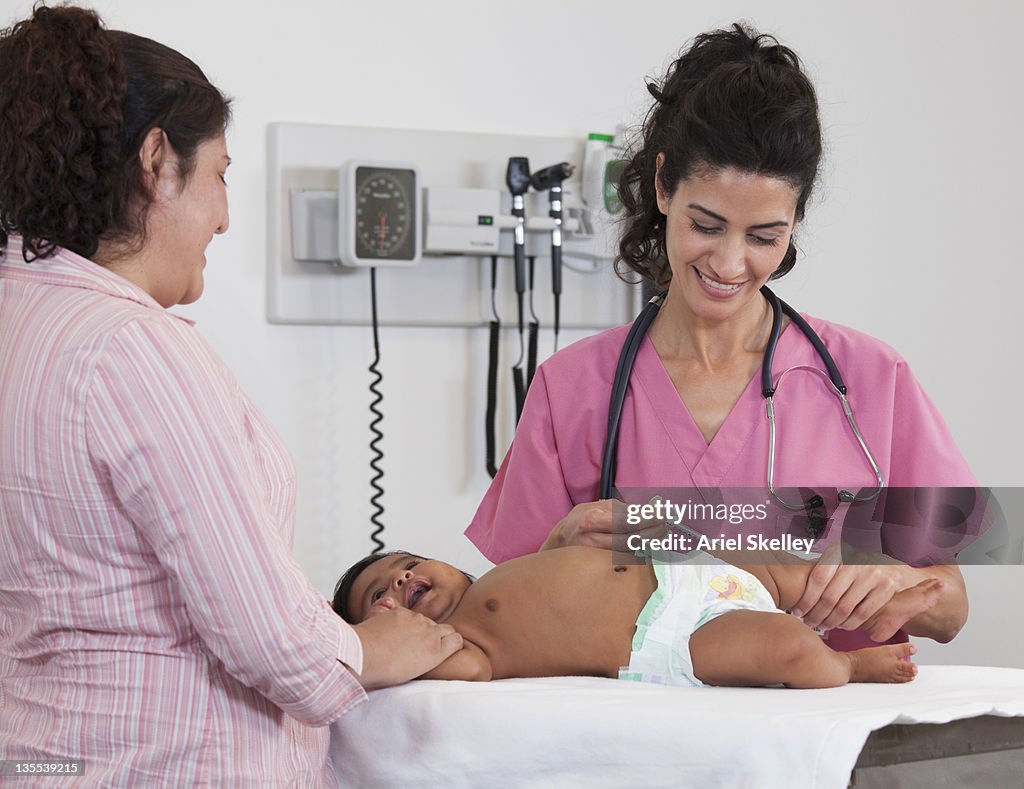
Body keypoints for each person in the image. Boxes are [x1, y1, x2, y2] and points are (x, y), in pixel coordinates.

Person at [0, 6, 459, 785]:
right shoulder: (131, 348)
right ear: (157, 161)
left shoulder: (20, 317)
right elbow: (274, 644)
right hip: (167, 764)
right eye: (218, 174)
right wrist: (375, 648)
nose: (222, 214)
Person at [465, 23, 972, 653]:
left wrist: (893, 580)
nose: (730, 264)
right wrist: (556, 549)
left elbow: (950, 609)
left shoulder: (871, 377)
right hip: (637, 738)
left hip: (832, 732)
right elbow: (500, 609)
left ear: (796, 219)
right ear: (661, 186)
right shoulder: (572, 388)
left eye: (764, 236)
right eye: (706, 225)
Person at [332, 546, 949, 688]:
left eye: (409, 563)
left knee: (791, 572)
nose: (403, 579)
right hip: (674, 637)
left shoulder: (504, 571)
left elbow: (616, 545)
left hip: (688, 572)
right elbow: (442, 669)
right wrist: (378, 647)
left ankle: (874, 604)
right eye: (380, 594)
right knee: (786, 648)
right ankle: (844, 660)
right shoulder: (462, 642)